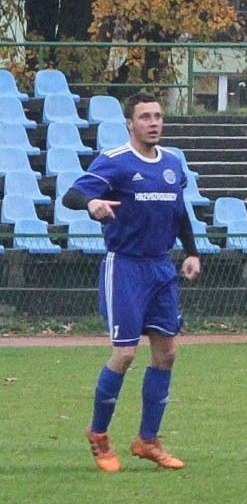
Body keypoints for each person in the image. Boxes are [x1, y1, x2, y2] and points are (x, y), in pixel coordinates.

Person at [63, 92, 202, 472]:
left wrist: (191, 251)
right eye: (145, 117)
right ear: (130, 123)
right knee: (124, 354)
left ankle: (147, 439)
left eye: (158, 116)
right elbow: (72, 194)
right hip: (125, 267)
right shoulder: (116, 162)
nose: (153, 122)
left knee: (167, 353)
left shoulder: (172, 163)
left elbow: (179, 211)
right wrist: (93, 205)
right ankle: (99, 434)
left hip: (161, 268)